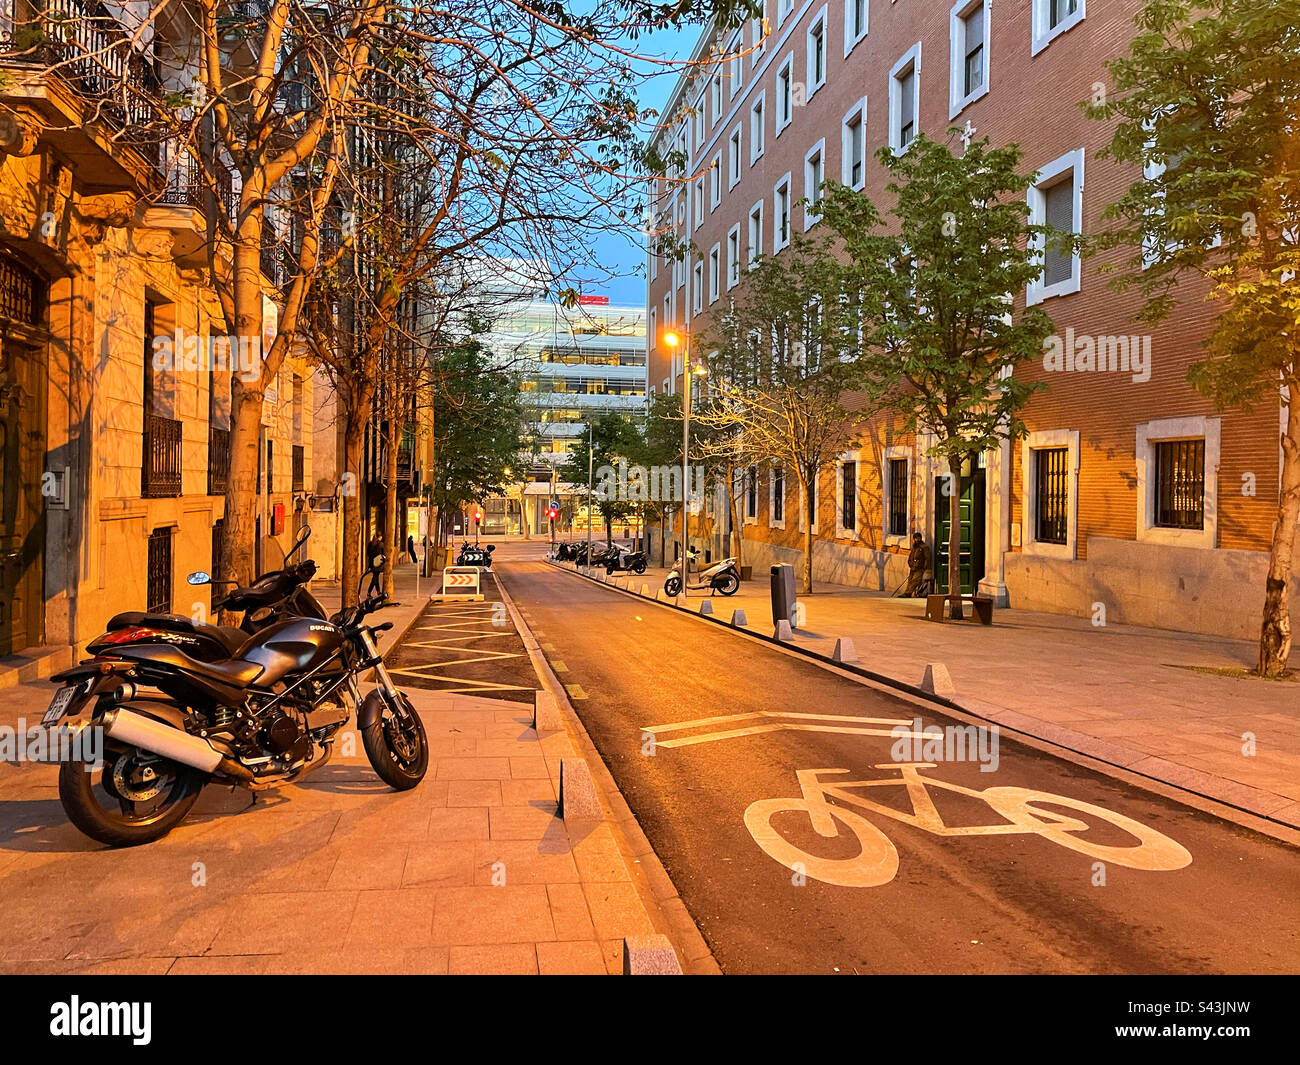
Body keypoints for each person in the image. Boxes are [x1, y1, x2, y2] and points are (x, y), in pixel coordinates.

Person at [902, 532, 931, 597]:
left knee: (915, 580)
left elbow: (927, 558)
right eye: (915, 538)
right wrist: (910, 564)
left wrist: (925, 567)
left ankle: (908, 593)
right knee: (910, 580)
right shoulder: (914, 547)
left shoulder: (924, 547)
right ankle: (907, 592)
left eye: (918, 538)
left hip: (920, 568)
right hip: (913, 567)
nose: (917, 540)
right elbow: (911, 556)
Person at [365, 533, 384, 597]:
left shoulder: (370, 544)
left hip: (371, 563)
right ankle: (369, 592)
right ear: (380, 537)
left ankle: (377, 592)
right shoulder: (380, 544)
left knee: (375, 577)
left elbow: (368, 553)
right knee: (375, 578)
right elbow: (383, 553)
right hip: (378, 563)